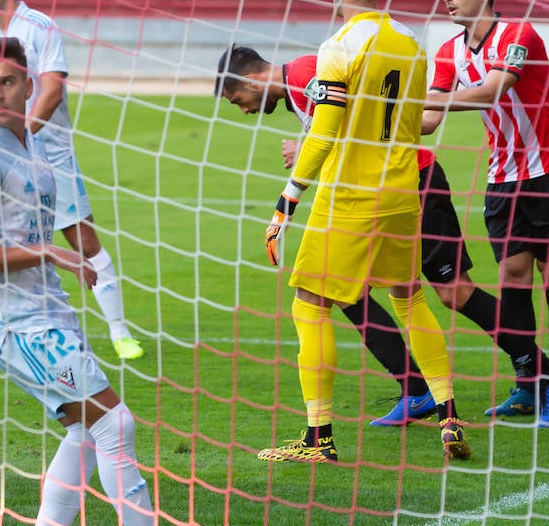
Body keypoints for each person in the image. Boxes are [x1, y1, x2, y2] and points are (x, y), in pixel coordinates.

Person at [0, 37, 211, 526]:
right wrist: (49, 253)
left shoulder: (35, 149)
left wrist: (70, 254)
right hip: (18, 327)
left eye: (9, 81)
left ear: (31, 84)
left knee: (88, 433)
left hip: (50, 315)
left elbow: (56, 227)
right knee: (114, 425)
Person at [216, 44, 513, 428]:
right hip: (381, 189)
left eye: (238, 99)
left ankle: (537, 370)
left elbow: (355, 130)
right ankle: (428, 397)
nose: (243, 110)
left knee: (448, 290)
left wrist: (291, 187)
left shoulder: (309, 74)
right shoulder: (300, 86)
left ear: (252, 79)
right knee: (357, 293)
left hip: (403, 184)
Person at [259, 0, 470, 464]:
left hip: (350, 198)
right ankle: (448, 415)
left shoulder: (338, 48)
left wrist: (287, 201)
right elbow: (413, 121)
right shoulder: (411, 46)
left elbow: (325, 131)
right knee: (410, 297)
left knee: (309, 304)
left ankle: (318, 438)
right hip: (402, 192)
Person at [0, 0, 143, 361]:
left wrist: (23, 143)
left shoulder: (40, 27)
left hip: (48, 155)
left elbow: (52, 89)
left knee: (81, 239)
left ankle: (119, 332)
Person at [425, 0, 549, 426]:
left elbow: (493, 91)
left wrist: (424, 102)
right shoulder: (448, 51)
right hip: (502, 176)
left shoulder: (520, 34)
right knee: (513, 274)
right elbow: (430, 118)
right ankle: (529, 380)